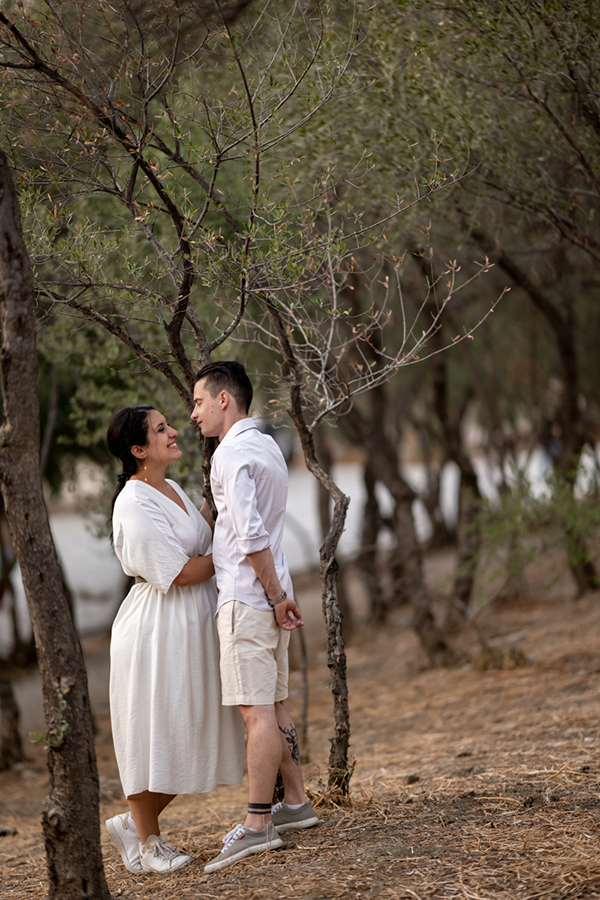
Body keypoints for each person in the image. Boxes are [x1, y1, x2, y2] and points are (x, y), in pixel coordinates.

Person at [104, 405, 244, 875]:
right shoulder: (133, 501)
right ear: (138, 450)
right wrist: (235, 553)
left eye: (169, 424)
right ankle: (148, 844)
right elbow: (182, 572)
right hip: (156, 630)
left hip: (189, 625)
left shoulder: (172, 488)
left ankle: (132, 825)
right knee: (161, 732)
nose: (174, 431)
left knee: (195, 733)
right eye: (161, 429)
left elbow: (200, 537)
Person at [191, 361, 319, 874]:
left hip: (250, 599)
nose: (194, 413)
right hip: (270, 594)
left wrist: (271, 596)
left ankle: (258, 825)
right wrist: (280, 594)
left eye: (199, 402)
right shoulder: (267, 445)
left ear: (225, 400)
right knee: (274, 704)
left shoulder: (231, 453)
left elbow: (248, 536)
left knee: (255, 714)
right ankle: (297, 804)